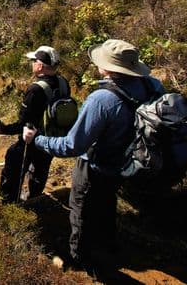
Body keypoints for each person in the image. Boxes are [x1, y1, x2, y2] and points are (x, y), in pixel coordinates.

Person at [22, 39, 165, 274]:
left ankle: (80, 258)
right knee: (107, 200)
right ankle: (108, 242)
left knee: (80, 208)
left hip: (96, 164)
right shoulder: (152, 86)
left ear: (107, 67)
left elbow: (72, 146)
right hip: (128, 160)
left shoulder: (102, 99)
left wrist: (36, 139)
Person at [0, 45, 67, 203]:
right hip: (52, 137)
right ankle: (34, 197)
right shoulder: (63, 84)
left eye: (34, 61)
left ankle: (9, 202)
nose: (32, 63)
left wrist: (3, 129)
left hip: (31, 140)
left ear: (40, 66)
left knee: (14, 164)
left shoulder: (35, 89)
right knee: (41, 168)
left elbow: (24, 124)